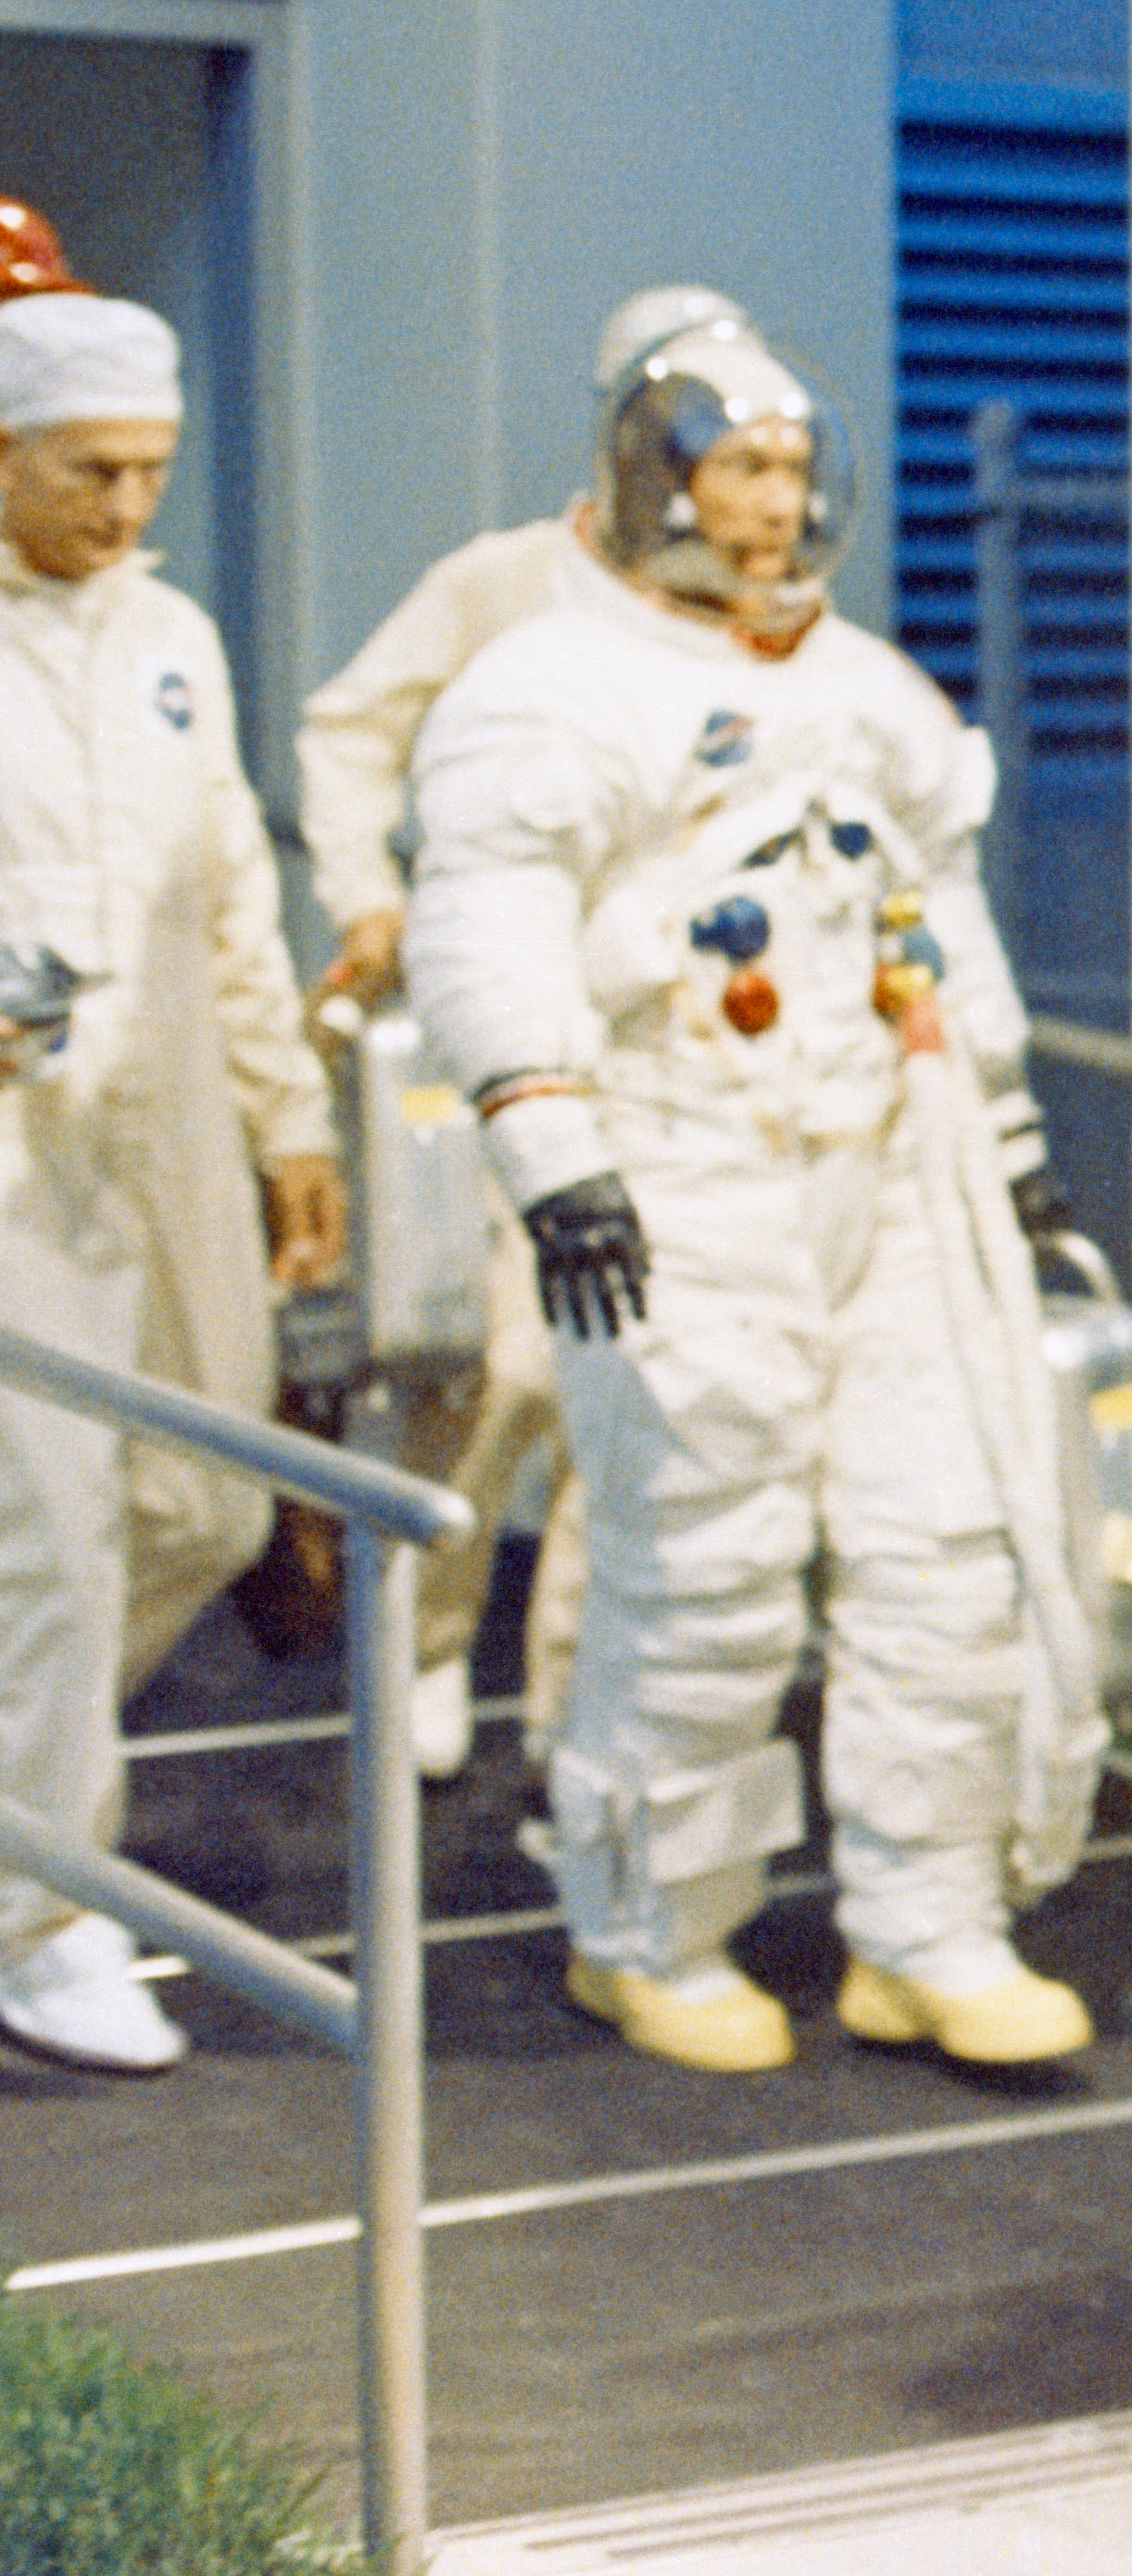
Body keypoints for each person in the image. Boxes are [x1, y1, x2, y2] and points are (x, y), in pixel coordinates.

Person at [405, 312, 1103, 2076]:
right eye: (743, 470)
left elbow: (941, 917)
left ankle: (928, 1922)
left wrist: (1008, 1149)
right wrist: (551, 1143)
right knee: (707, 1564)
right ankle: (652, 1930)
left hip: (885, 1160)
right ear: (662, 481)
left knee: (947, 1547)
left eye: (797, 472)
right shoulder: (548, 689)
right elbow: (486, 919)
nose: (779, 506)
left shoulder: (868, 692)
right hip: (673, 1164)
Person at [292, 284, 743, 1778]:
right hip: (512, 1038)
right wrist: (371, 897)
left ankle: (575, 1702)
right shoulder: (502, 582)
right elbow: (352, 729)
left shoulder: (762, 615)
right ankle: (428, 1641)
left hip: (682, 1064)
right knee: (500, 1371)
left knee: (646, 1384)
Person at [0, 289, 344, 2074]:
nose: (130, 506)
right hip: (11, 1146)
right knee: (46, 1533)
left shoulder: (174, 642)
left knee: (203, 1508)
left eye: (153, 471)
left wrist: (291, 1120)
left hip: (172, 1121)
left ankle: (22, 1798)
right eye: (92, 471)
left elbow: (228, 904)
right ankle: (42, 1908)